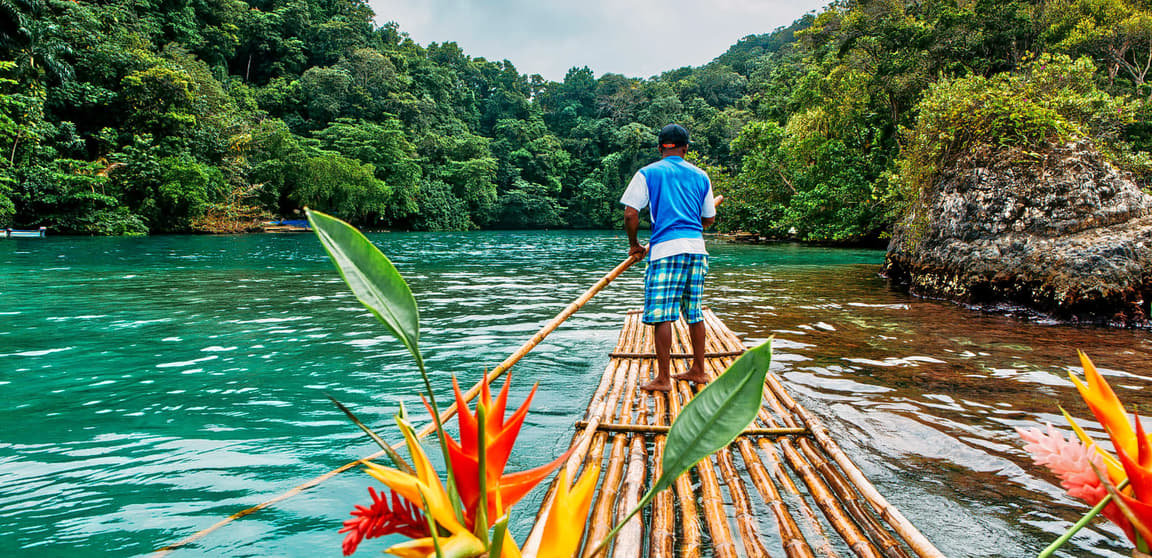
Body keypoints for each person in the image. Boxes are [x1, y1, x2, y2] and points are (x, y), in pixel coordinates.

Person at [620, 124, 722, 392]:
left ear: (660, 148)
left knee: (662, 315)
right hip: (696, 250)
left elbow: (631, 214)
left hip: (666, 250)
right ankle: (699, 370)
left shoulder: (648, 172)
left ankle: (664, 378)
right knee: (694, 312)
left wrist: (634, 245)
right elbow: (709, 218)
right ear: (685, 148)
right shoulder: (701, 176)